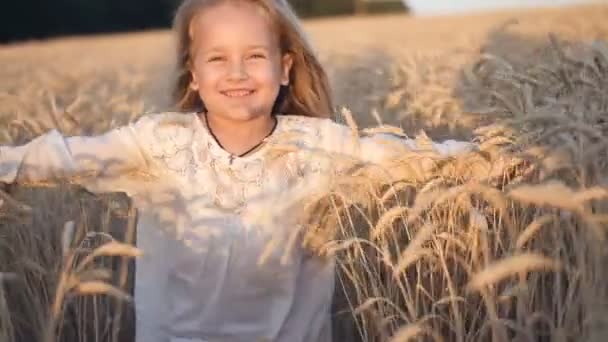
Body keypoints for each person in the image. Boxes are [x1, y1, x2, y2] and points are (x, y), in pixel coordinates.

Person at [0, 1, 476, 341]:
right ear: (194, 75)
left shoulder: (319, 146)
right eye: (217, 58)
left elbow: (406, 157)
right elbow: (63, 155)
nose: (237, 73)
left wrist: (490, 159)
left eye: (254, 56)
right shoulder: (156, 142)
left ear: (285, 68)